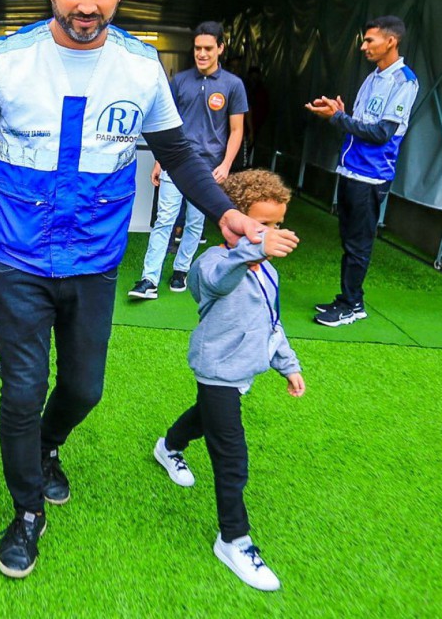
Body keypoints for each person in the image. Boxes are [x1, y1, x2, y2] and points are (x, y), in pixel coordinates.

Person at [0, 0, 272, 579]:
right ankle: (27, 510)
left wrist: (224, 210)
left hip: (94, 259)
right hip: (17, 255)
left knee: (85, 389)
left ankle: (47, 447)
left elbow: (177, 154)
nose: (86, 5)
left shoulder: (142, 66)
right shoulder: (7, 58)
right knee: (21, 391)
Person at [152, 169, 303, 592]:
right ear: (233, 220)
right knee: (231, 455)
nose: (270, 234)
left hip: (245, 370)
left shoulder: (267, 271)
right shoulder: (214, 262)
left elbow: (272, 321)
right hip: (217, 370)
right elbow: (216, 283)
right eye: (261, 225)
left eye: (276, 225)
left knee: (204, 419)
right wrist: (251, 250)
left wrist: (287, 364)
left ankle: (169, 446)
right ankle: (233, 539)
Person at [305, 15, 419, 327]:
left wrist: (336, 119)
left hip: (371, 176)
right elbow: (362, 123)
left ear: (391, 41)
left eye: (370, 40)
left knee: (359, 243)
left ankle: (353, 305)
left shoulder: (404, 81)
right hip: (351, 170)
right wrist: (341, 113)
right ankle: (346, 299)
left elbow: (381, 132)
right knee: (348, 240)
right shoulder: (373, 77)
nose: (363, 46)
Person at [130, 21, 247, 299]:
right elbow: (163, 125)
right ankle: (149, 279)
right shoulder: (180, 81)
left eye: (208, 48)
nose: (202, 54)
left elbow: (237, 130)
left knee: (195, 223)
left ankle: (181, 270)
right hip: (176, 162)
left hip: (209, 168)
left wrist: (226, 165)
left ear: (220, 48)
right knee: (165, 219)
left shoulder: (233, 85)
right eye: (197, 48)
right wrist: (160, 161)